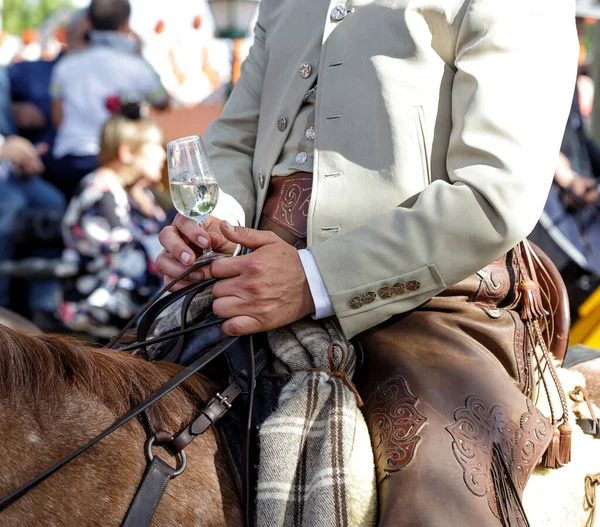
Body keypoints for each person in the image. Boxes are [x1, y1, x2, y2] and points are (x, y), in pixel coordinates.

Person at [156, 0, 577, 524]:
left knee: (438, 505)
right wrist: (214, 226)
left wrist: (316, 279)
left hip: (431, 301)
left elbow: (495, 194)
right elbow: (235, 139)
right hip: (251, 281)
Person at [59, 108, 166, 337]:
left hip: (131, 302)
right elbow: (128, 257)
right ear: (126, 152)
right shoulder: (101, 189)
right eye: (155, 146)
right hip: (96, 305)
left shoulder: (137, 193)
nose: (162, 154)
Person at [48, 0, 168, 199]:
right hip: (115, 163)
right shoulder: (137, 66)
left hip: (69, 161)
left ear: (88, 22)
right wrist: (139, 54)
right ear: (126, 24)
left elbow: (58, 119)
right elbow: (162, 103)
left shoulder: (65, 65)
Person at [528, 12, 600, 316]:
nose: (582, 33)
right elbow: (524, 129)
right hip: (548, 199)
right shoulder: (534, 61)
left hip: (579, 198)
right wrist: (568, 178)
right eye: (578, 23)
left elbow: (581, 141)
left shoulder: (573, 75)